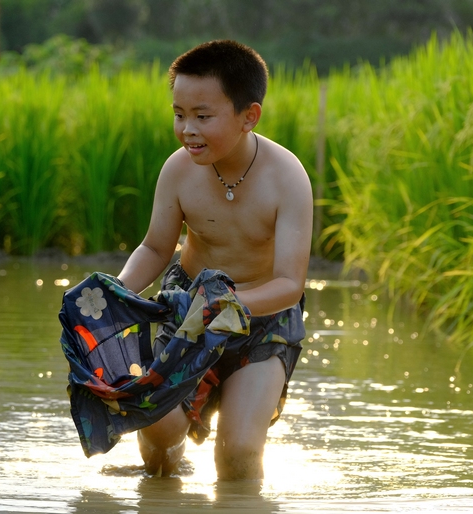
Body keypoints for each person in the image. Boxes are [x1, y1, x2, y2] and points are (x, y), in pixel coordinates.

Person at [115, 40, 313, 480]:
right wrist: (119, 291)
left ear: (249, 116)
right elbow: (154, 248)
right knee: (159, 442)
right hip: (190, 311)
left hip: (263, 319)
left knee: (239, 454)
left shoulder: (287, 179)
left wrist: (227, 304)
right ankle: (168, 464)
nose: (188, 129)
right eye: (178, 114)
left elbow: (289, 284)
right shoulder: (179, 170)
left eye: (203, 117)